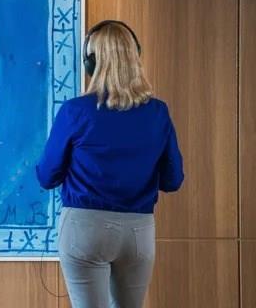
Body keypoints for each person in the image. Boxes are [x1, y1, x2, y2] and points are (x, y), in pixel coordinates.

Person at [36, 20, 184, 308]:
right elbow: (173, 180)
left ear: (90, 64)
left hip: (85, 229)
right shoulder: (158, 112)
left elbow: (47, 177)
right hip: (138, 231)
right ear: (135, 57)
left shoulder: (75, 111)